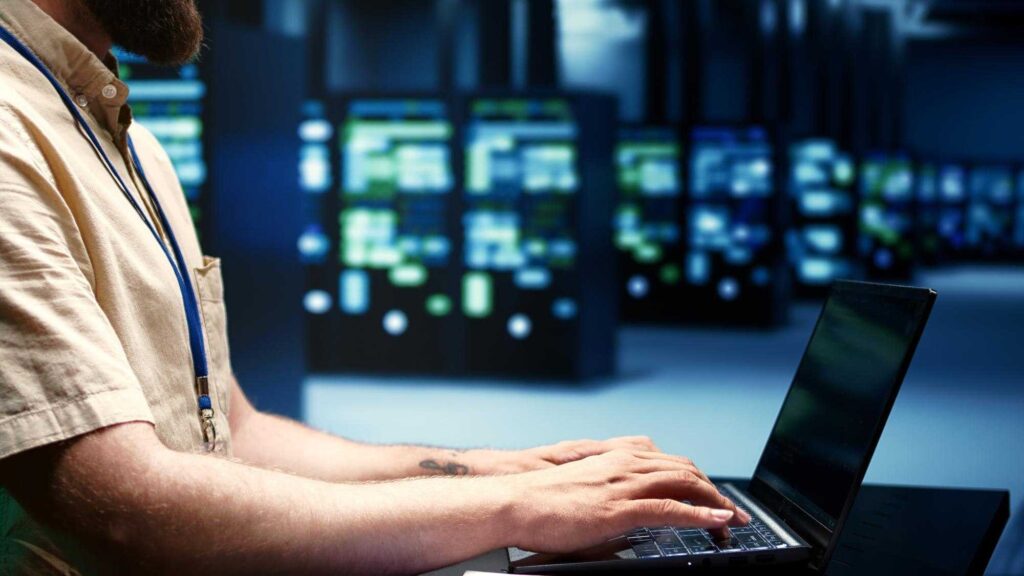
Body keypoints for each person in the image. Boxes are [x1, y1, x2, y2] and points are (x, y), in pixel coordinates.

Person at [0, 0, 749, 573]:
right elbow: (123, 504)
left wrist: (503, 469)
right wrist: (517, 509)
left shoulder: (128, 140)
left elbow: (238, 435)